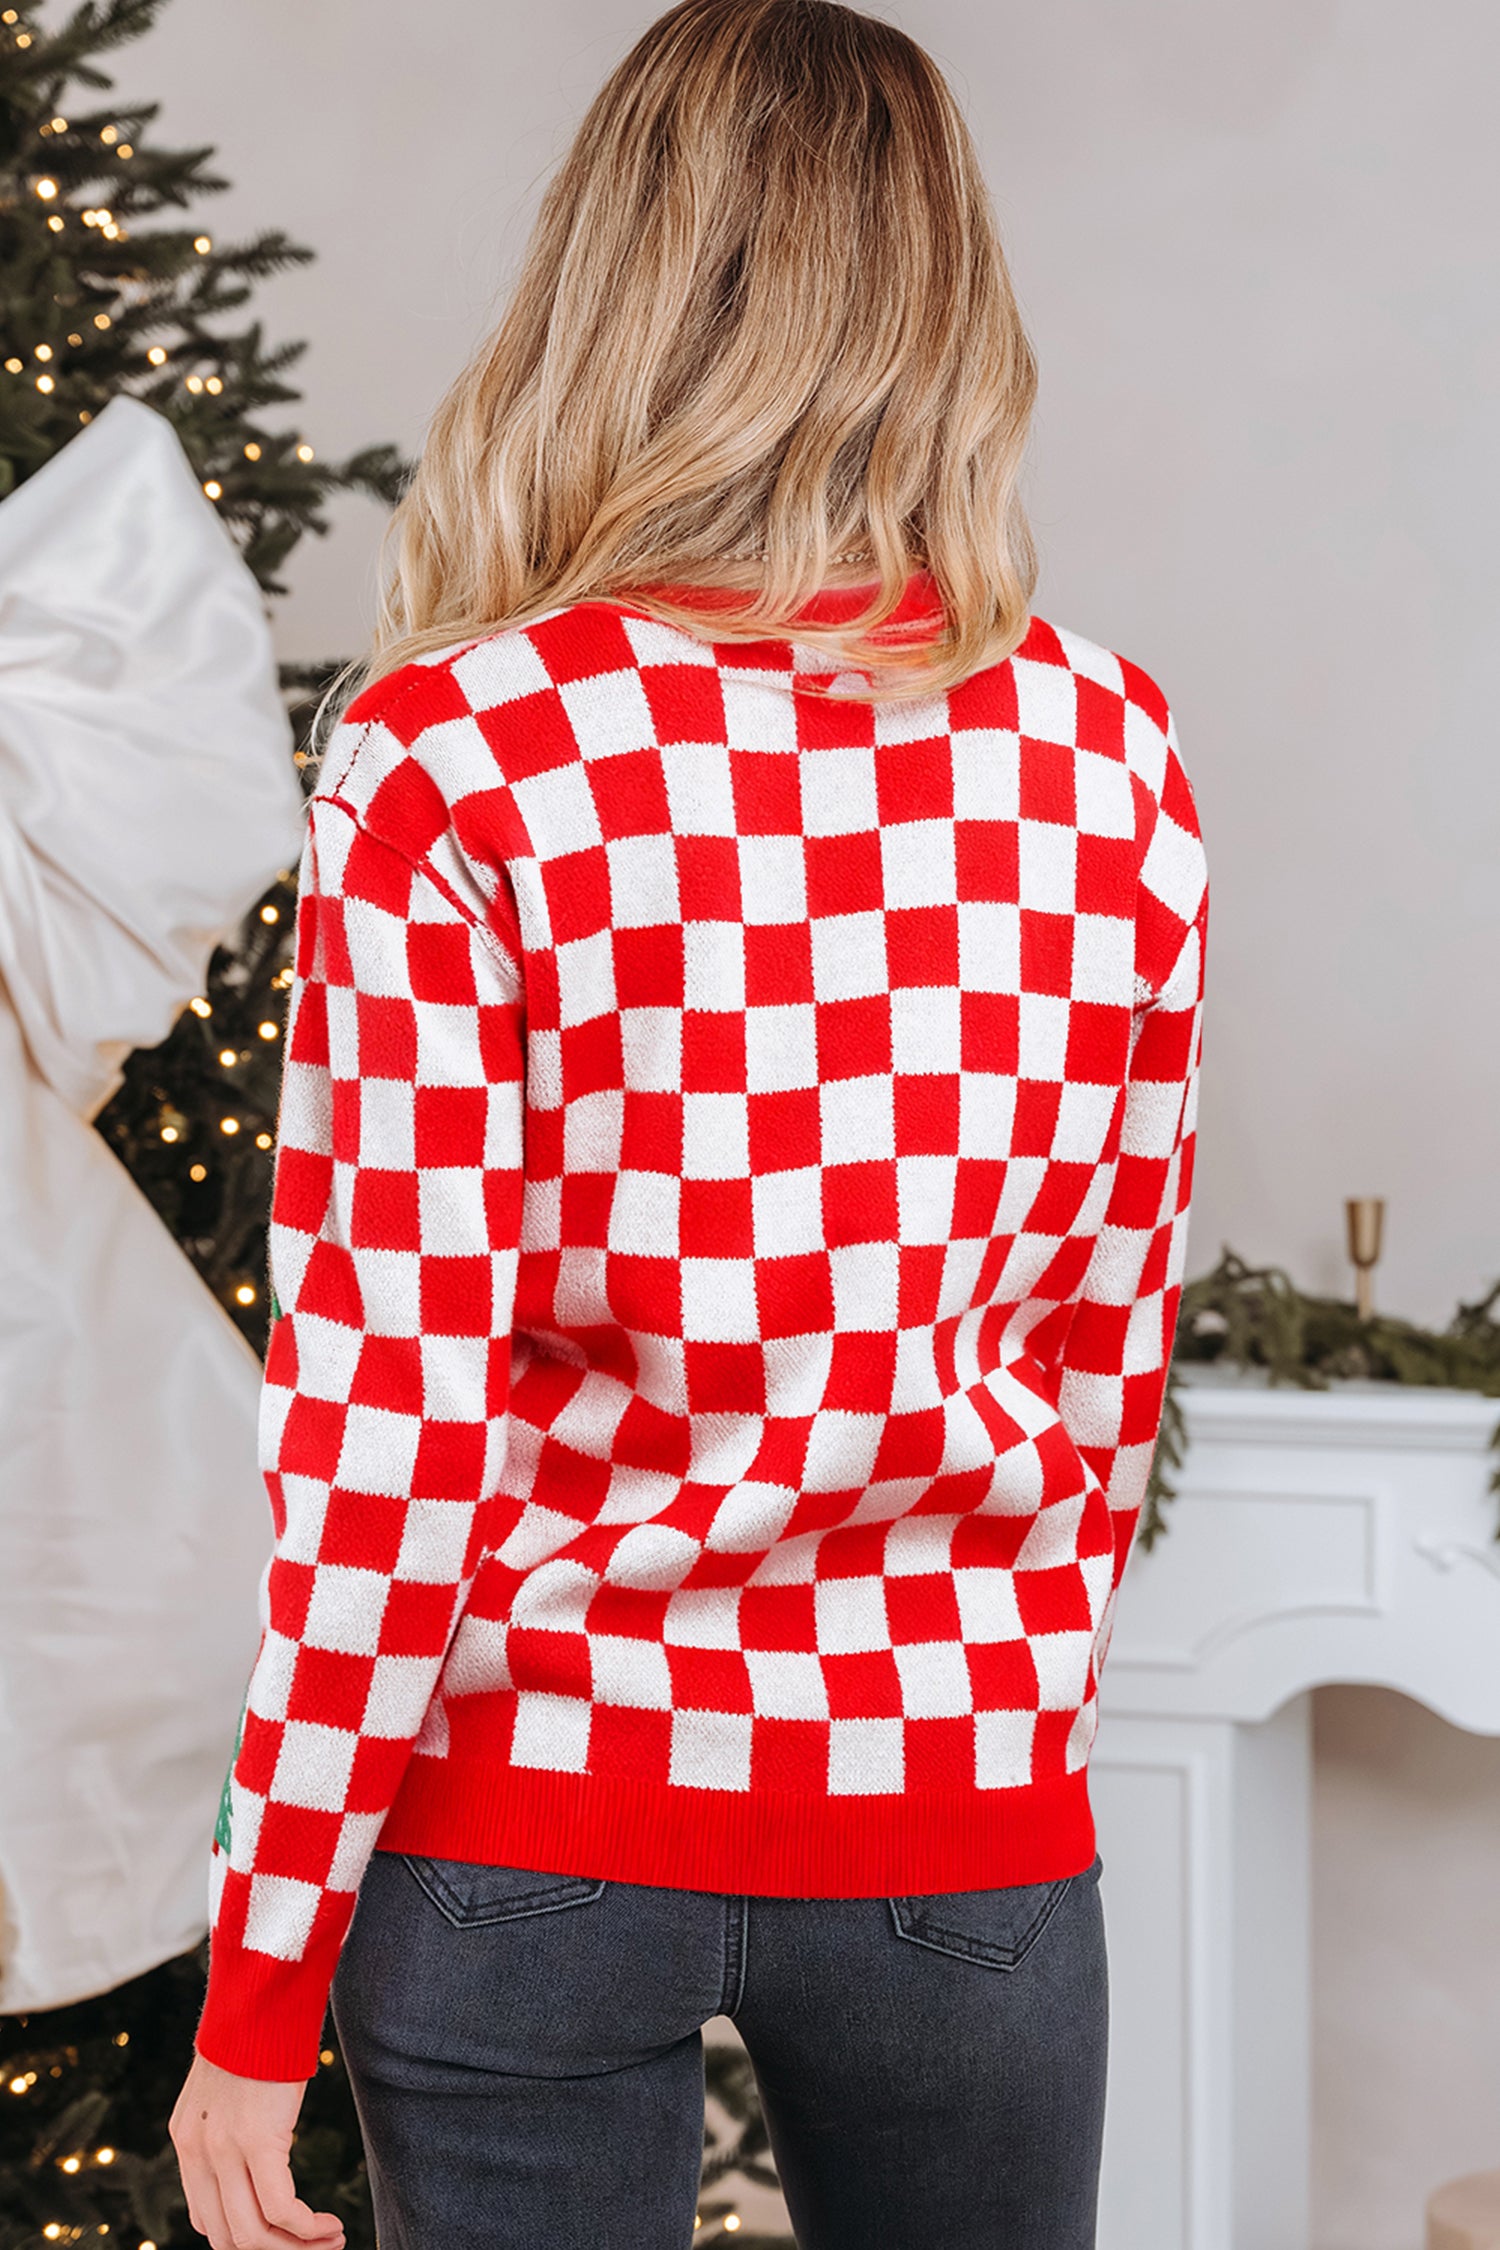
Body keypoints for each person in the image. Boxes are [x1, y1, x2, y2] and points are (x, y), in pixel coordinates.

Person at [170, 2, 1207, 2244]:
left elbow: (388, 1427)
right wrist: (995, 1736)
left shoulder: (453, 749)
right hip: (960, 1815)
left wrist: (258, 1981)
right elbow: (1102, 1361)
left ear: (610, 276)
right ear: (947, 298)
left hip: (525, 1820)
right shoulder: (1109, 751)